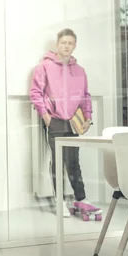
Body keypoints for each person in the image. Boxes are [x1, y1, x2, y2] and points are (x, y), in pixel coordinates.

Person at [30, 28, 99, 218]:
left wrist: (88, 118)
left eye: (70, 43)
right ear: (57, 45)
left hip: (74, 122)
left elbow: (85, 96)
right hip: (55, 120)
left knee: (74, 162)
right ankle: (58, 200)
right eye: (63, 43)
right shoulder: (44, 67)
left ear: (74, 46)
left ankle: (81, 198)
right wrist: (46, 117)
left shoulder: (80, 71)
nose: (66, 46)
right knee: (58, 162)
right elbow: (36, 93)